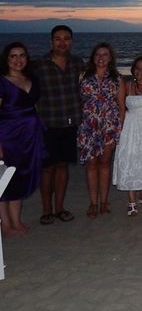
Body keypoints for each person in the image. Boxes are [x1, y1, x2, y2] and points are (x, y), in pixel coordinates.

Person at [33, 25, 84, 225]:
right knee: (47, 168)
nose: (62, 42)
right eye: (58, 39)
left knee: (63, 166)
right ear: (51, 41)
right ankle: (47, 210)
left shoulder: (78, 63)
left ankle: (60, 208)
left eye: (66, 39)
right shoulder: (39, 65)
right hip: (47, 124)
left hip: (70, 123)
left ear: (71, 41)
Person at [0, 42, 45, 236]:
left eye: (22, 56)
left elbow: (35, 107)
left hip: (30, 135)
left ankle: (17, 221)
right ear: (6, 59)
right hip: (8, 136)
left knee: (21, 177)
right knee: (5, 179)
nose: (18, 60)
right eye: (13, 56)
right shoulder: (1, 81)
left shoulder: (31, 78)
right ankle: (6, 224)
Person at [77, 43, 126, 219]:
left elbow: (121, 107)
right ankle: (93, 202)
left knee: (105, 164)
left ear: (110, 58)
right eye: (98, 54)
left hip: (108, 127)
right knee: (91, 165)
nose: (101, 57)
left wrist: (117, 130)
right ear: (93, 57)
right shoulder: (83, 76)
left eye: (105, 54)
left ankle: (104, 201)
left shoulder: (117, 79)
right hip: (88, 127)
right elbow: (78, 102)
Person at [112, 56, 142, 216]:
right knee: (131, 161)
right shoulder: (127, 84)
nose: (139, 71)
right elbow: (121, 108)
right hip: (131, 128)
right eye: (137, 68)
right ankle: (132, 200)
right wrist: (119, 129)